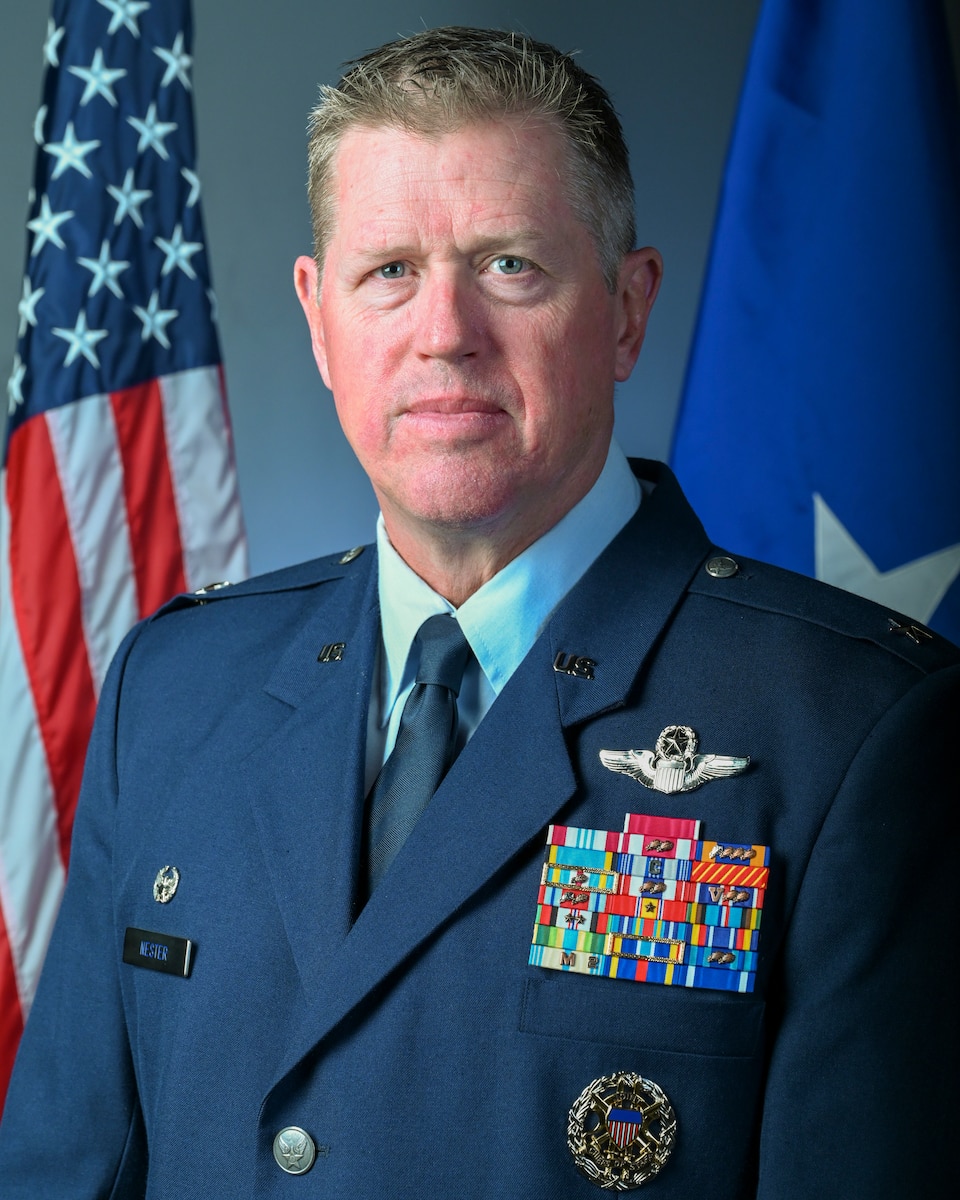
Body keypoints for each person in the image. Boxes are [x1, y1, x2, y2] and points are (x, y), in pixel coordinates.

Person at [1, 26, 956, 1198]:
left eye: (510, 264)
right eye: (389, 270)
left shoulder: (851, 729)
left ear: (625, 310)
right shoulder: (177, 689)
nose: (443, 330)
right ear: (318, 318)